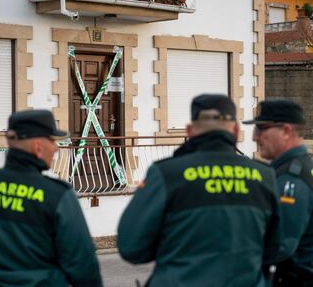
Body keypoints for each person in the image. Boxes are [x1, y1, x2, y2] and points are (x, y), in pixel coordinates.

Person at [117, 94, 281, 287]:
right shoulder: (265, 175)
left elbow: (131, 247)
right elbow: (276, 248)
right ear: (235, 131)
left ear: (190, 131)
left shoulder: (166, 173)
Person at [0, 109, 103, 287]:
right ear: (38, 147)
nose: (56, 148)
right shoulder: (57, 195)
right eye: (52, 141)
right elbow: (83, 266)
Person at [243, 99, 313, 286]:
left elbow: (281, 244)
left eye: (261, 128)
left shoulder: (291, 179)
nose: (255, 137)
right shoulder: (304, 167)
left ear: (286, 131)